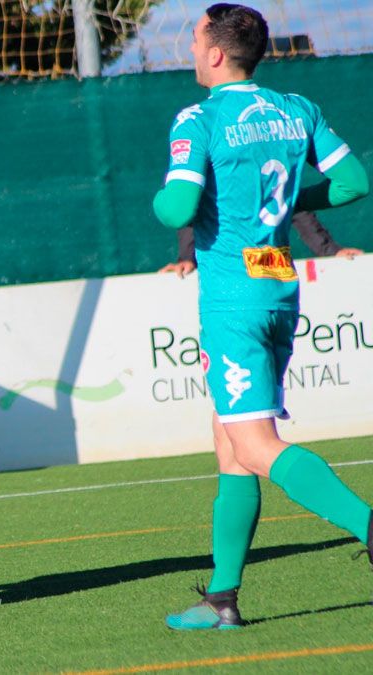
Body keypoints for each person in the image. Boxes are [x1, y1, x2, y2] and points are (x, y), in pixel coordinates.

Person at [151, 3, 370, 630]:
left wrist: (165, 195)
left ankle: (368, 526)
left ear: (216, 53)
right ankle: (222, 599)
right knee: (230, 446)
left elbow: (177, 208)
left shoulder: (199, 117)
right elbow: (354, 182)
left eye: (194, 39)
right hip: (278, 285)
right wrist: (288, 201)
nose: (191, 49)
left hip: (232, 301)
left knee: (253, 442)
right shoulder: (296, 108)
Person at [159, 210, 363, 277]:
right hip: (224, 276)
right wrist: (186, 258)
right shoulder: (205, 138)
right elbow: (187, 205)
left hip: (272, 276)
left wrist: (332, 251)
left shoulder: (271, 146)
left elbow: (293, 203)